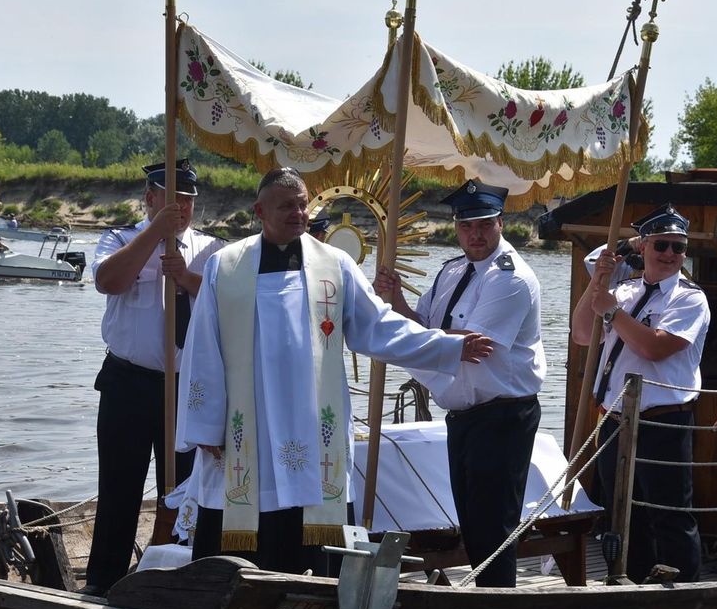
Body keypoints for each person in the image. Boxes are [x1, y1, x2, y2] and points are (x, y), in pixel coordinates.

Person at [177, 168, 492, 576]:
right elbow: (204, 346)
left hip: (312, 427)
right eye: (287, 205)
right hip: (247, 427)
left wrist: (446, 345)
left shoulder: (334, 265)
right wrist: (205, 426)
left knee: (313, 533)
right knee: (239, 541)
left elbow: (379, 327)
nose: (299, 212)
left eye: (303, 203)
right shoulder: (226, 266)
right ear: (259, 210)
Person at [374, 179, 545, 587]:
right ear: (456, 228)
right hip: (464, 415)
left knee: (493, 528)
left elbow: (475, 345)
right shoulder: (451, 271)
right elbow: (428, 329)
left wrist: (412, 341)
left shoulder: (510, 277)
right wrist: (395, 302)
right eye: (467, 226)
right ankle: (485, 603)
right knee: (471, 522)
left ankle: (497, 607)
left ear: (501, 223)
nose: (476, 235)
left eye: (485, 225)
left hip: (502, 414)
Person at [83, 158, 224, 596]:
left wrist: (186, 278)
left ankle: (181, 579)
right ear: (150, 199)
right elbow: (108, 281)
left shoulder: (212, 249)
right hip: (128, 381)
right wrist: (153, 235)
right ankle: (104, 581)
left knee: (186, 488)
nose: (181, 207)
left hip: (185, 388)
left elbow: (233, 302)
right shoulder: (121, 238)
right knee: (119, 487)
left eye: (188, 200)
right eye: (172, 198)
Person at [571, 204, 709, 583]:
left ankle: (684, 591)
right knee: (621, 511)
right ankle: (627, 582)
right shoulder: (624, 290)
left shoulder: (689, 297)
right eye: (660, 245)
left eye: (678, 248)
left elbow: (655, 347)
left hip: (663, 421)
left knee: (669, 514)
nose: (669, 255)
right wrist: (597, 284)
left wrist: (614, 313)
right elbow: (582, 335)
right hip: (616, 419)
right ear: (644, 247)